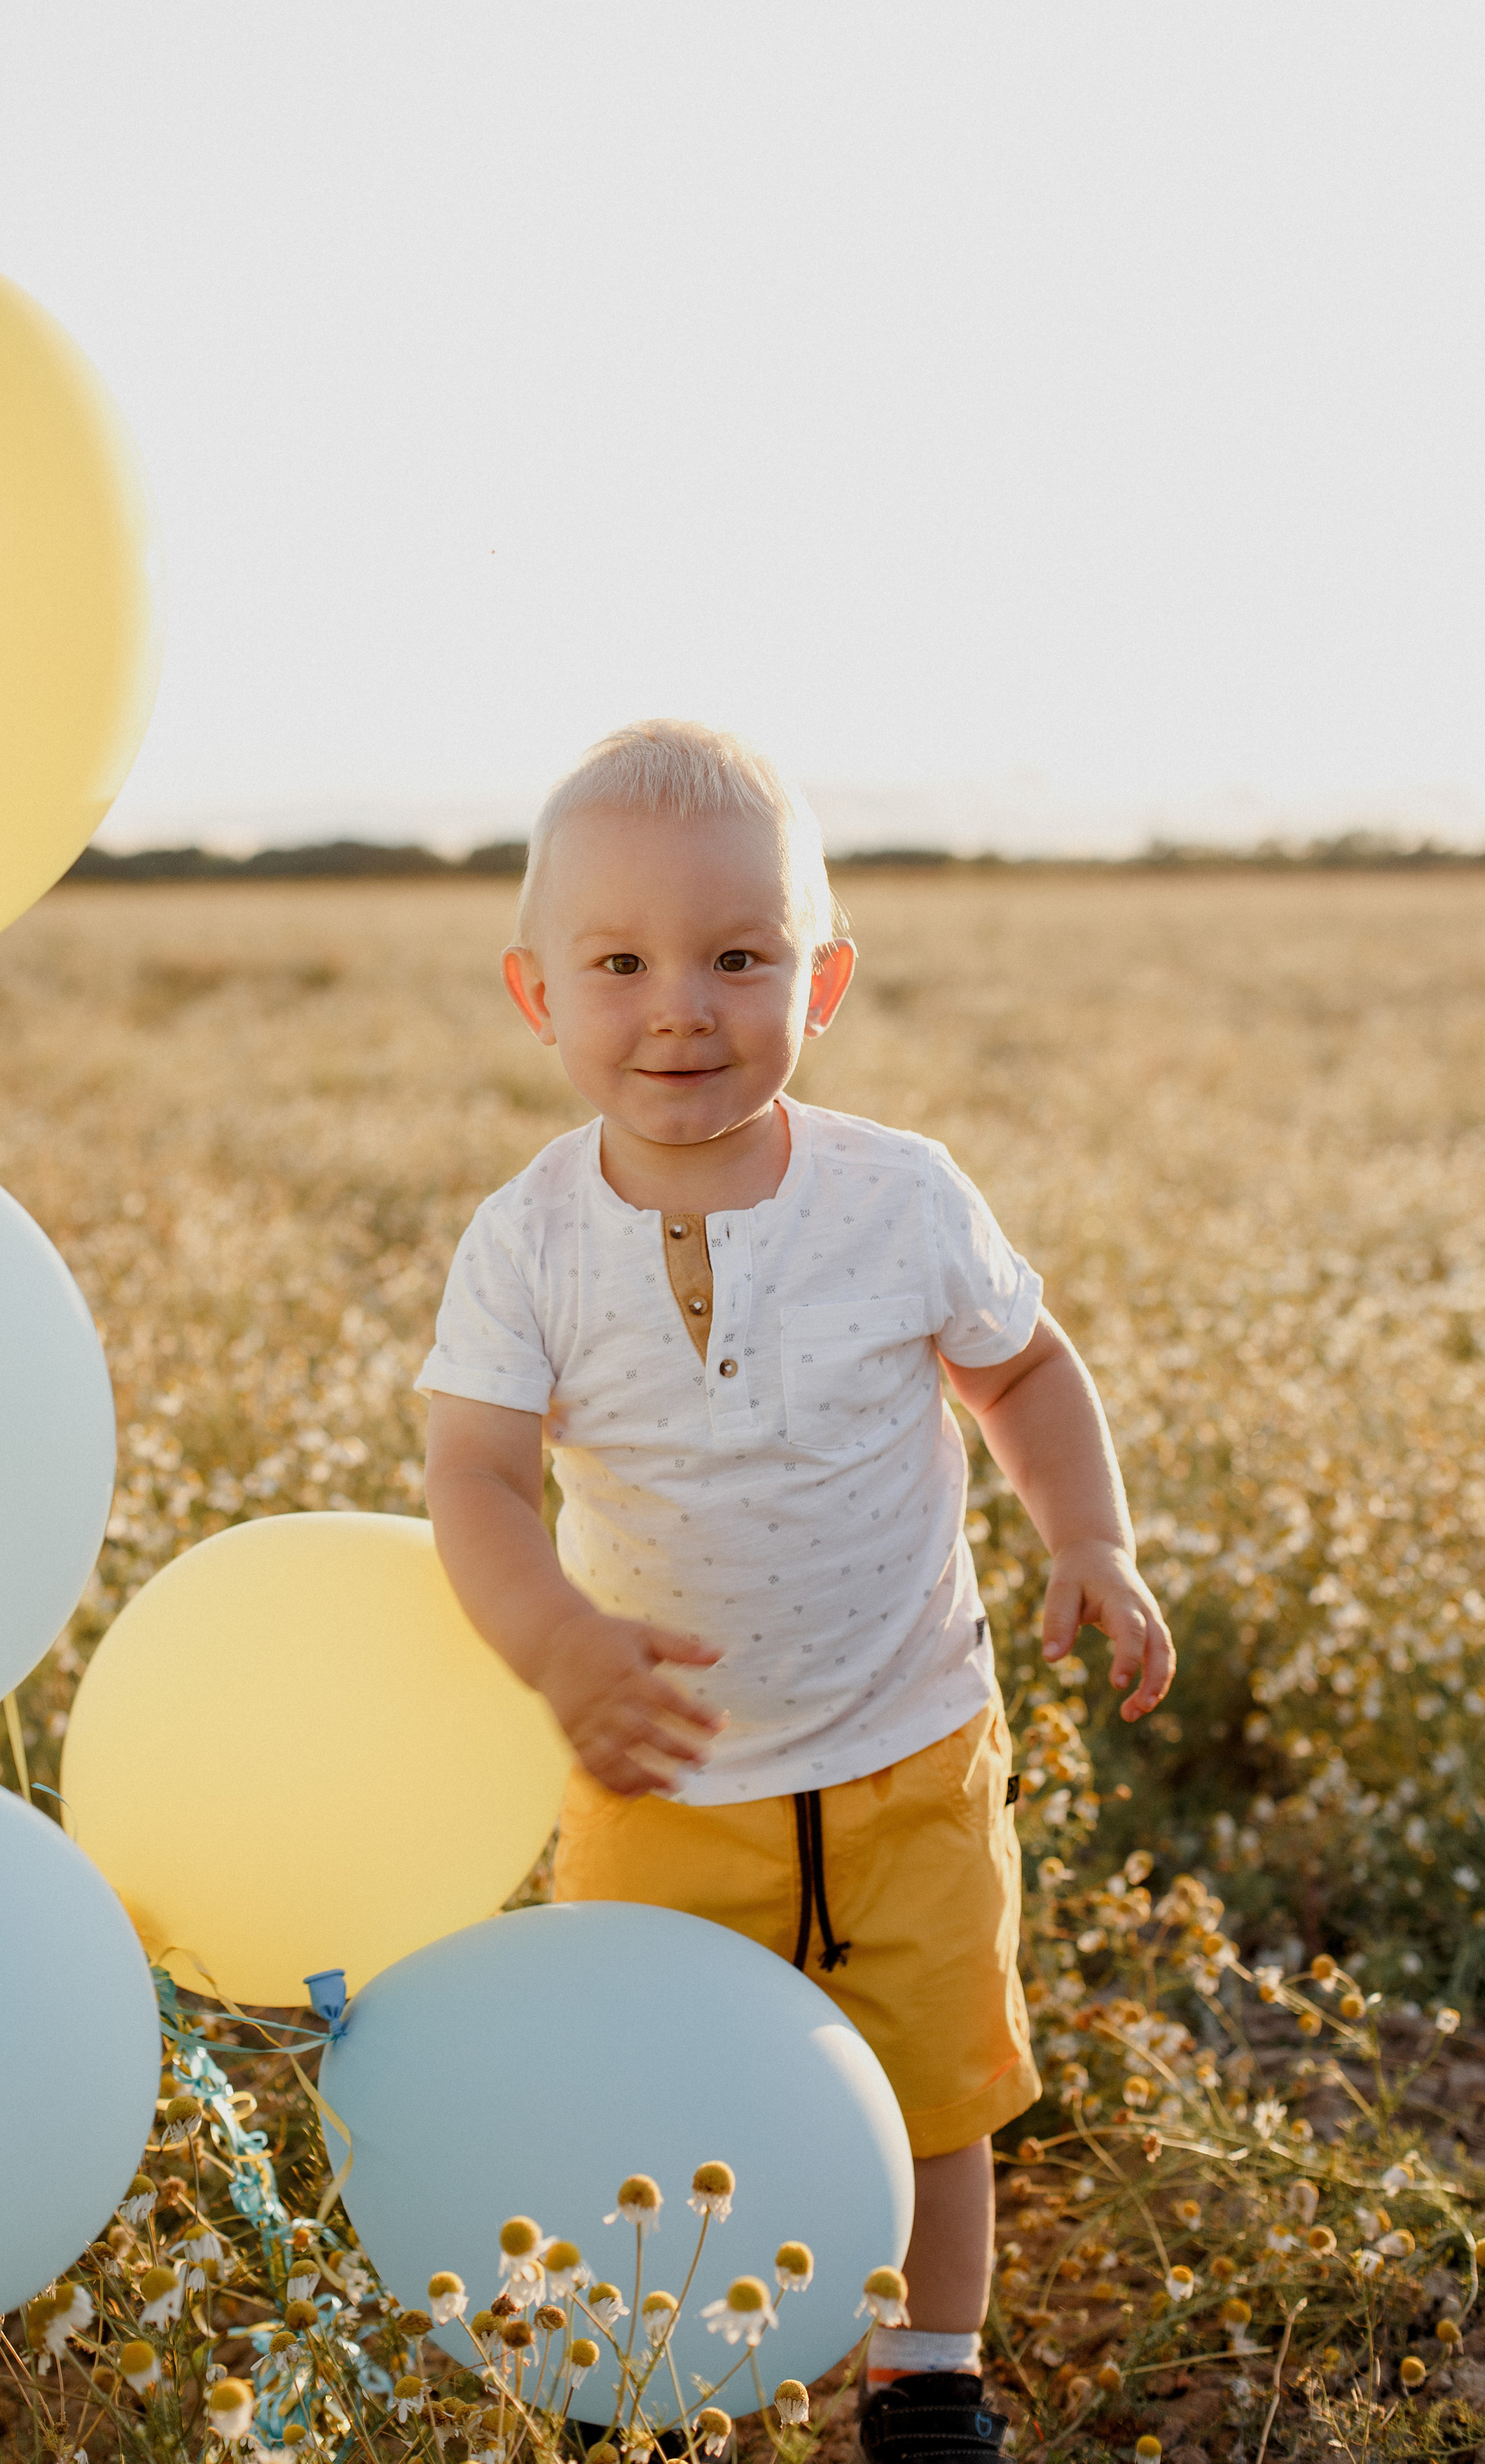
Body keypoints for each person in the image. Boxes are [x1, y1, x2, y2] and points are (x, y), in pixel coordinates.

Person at [420, 719, 1173, 2461]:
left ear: (818, 979)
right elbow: (473, 1474)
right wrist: (556, 1643)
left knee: (930, 2093)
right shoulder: (525, 1238)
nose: (679, 1005)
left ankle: (926, 2382)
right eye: (618, 963)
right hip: (662, 1771)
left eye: (736, 957)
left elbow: (1025, 1370)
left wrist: (1088, 1537)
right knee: (669, 2090)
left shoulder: (898, 1196)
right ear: (536, 997)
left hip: (907, 1738)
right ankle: (678, 2377)